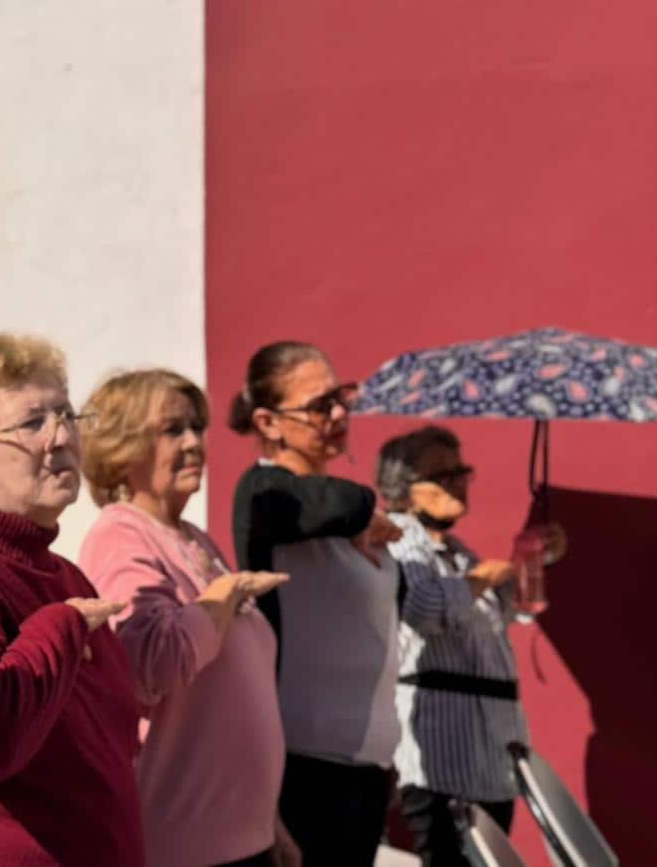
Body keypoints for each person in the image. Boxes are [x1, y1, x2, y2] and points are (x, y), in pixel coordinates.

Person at [0, 334, 146, 867]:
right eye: (32, 423)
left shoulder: (65, 574)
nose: (61, 436)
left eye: (65, 414)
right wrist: (58, 629)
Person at [79, 369, 298, 867]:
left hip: (246, 838)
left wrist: (270, 822)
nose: (195, 442)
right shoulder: (121, 535)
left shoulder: (193, 537)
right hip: (185, 847)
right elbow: (151, 664)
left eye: (197, 427)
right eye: (173, 430)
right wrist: (222, 595)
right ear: (123, 447)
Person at [228, 341, 403, 867]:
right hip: (305, 768)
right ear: (269, 421)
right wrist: (365, 510)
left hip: (366, 769)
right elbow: (317, 503)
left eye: (341, 398)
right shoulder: (269, 495)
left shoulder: (343, 510)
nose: (337, 414)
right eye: (319, 405)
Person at [376, 426, 566, 865]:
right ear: (406, 489)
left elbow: (510, 610)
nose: (458, 481)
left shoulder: (459, 552)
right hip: (443, 757)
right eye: (443, 475)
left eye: (462, 470)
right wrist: (483, 579)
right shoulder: (402, 537)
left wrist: (530, 560)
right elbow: (423, 609)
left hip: (491, 755)